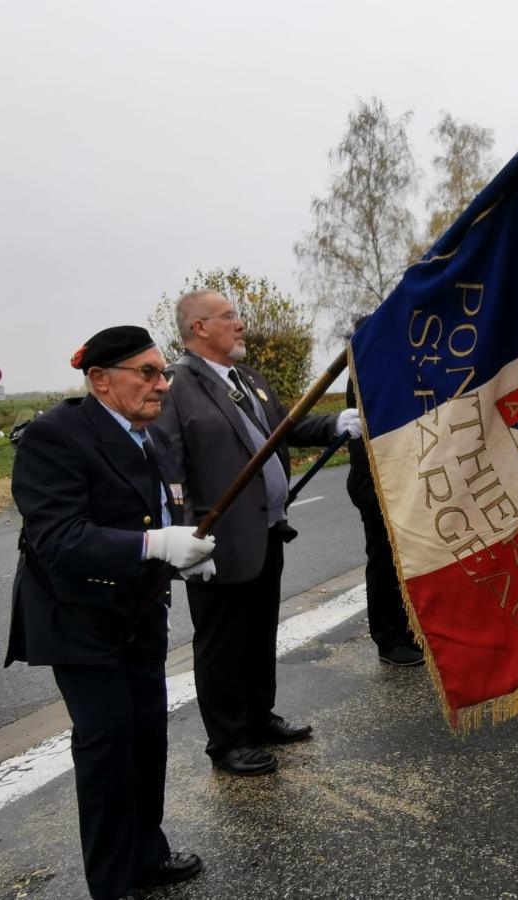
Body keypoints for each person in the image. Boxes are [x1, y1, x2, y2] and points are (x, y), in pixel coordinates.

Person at [5, 326, 214, 900]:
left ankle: (148, 853)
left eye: (163, 372)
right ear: (100, 379)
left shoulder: (148, 436)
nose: (162, 385)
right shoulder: (56, 436)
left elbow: (152, 511)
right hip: (78, 617)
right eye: (147, 373)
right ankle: (113, 881)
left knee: (147, 737)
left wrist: (182, 557)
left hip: (138, 613)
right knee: (106, 745)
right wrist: (155, 548)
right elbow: (59, 541)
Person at [157, 291, 362, 777]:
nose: (241, 324)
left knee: (257, 632)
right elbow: (169, 465)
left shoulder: (248, 379)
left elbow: (283, 428)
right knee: (221, 642)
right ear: (200, 328)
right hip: (214, 539)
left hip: (266, 530)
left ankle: (258, 716)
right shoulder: (178, 386)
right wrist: (182, 536)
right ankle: (226, 741)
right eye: (230, 317)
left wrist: (336, 421)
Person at [346, 317, 424, 667]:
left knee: (401, 561)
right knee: (384, 561)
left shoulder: (383, 367)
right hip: (376, 480)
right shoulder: (365, 371)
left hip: (394, 476)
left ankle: (407, 630)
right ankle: (388, 639)